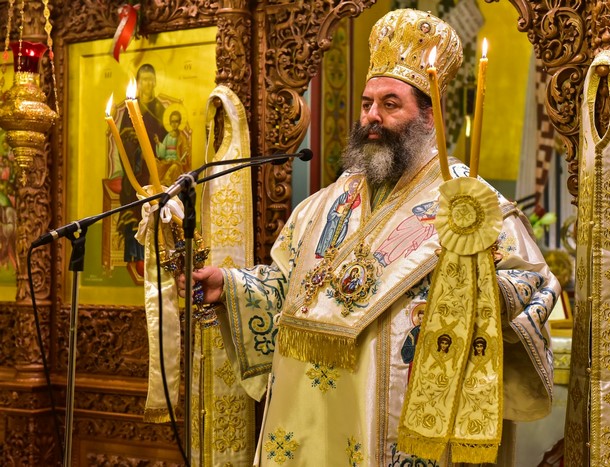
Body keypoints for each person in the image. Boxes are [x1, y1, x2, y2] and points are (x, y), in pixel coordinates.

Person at [178, 9, 559, 465]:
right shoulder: (324, 205)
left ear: (430, 116)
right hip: (307, 419)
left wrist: (480, 292)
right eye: (366, 103)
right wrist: (229, 286)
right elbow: (286, 286)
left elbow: (535, 287)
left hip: (400, 419)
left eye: (390, 104)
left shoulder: (471, 206)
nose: (372, 117)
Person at [116, 63, 167, 278]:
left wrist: (157, 152)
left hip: (155, 171)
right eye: (144, 79)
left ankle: (159, 254)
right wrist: (136, 149)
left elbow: (167, 141)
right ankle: (135, 255)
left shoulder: (160, 110)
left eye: (150, 79)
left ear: (155, 82)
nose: (147, 83)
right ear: (138, 82)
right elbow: (123, 141)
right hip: (135, 173)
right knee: (134, 205)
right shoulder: (131, 110)